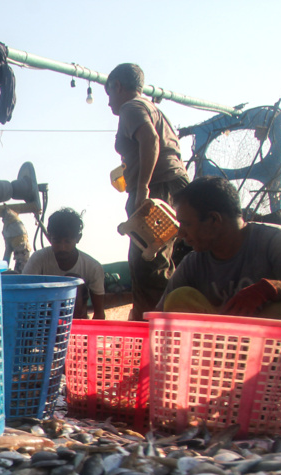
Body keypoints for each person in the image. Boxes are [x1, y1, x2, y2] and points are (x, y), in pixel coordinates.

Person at [159, 177, 281, 327]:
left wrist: (270, 289)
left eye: (186, 224)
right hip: (219, 353)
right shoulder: (194, 262)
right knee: (178, 299)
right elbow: (155, 319)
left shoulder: (275, 240)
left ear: (214, 219)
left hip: (274, 357)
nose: (180, 234)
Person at [104, 63, 190, 319]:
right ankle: (159, 322)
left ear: (118, 86)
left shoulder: (131, 107)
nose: (109, 103)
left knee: (148, 263)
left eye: (109, 94)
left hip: (157, 191)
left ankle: (152, 329)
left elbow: (150, 140)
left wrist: (142, 189)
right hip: (172, 186)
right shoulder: (154, 109)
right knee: (161, 261)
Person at [23, 208, 107, 320]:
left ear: (78, 238)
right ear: (49, 238)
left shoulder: (92, 267)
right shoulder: (38, 259)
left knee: (73, 281)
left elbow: (99, 314)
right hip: (42, 323)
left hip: (76, 326)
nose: (62, 247)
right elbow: (23, 297)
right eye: (57, 241)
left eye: (67, 241)